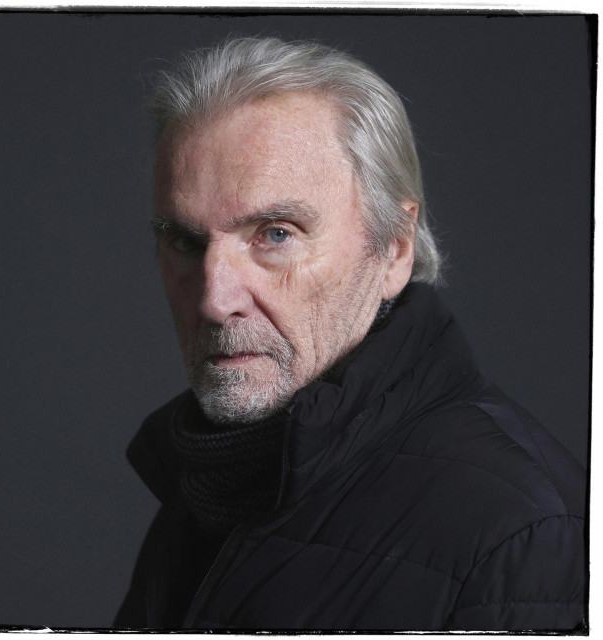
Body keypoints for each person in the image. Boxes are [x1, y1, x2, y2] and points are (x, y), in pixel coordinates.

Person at [114, 37, 585, 631]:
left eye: (276, 234)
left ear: (395, 248)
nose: (214, 300)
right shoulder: (215, 483)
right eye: (185, 241)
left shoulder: (522, 530)